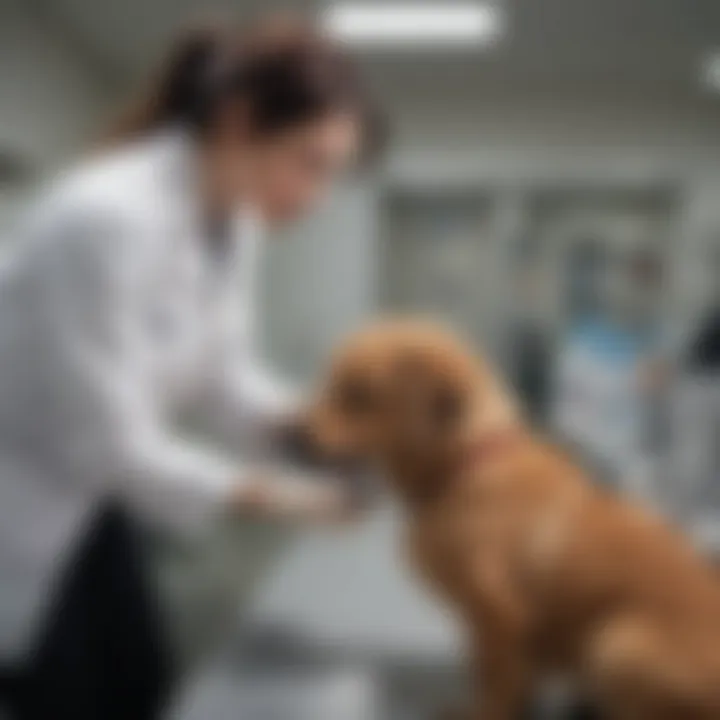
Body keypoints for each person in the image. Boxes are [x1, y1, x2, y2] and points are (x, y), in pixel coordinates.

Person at [0, 16, 383, 720]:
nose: (317, 196)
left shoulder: (231, 221)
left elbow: (222, 374)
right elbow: (105, 442)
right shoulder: (104, 217)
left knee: (143, 685)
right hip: (22, 502)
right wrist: (282, 497)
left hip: (93, 500)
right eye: (311, 161)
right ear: (239, 122)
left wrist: (316, 433)